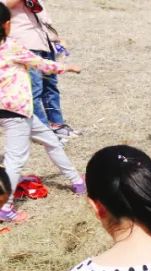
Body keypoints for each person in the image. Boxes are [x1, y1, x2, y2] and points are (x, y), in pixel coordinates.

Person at [0, 3, 81, 224]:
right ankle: (4, 207)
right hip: (16, 113)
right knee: (15, 160)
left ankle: (77, 181)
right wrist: (68, 67)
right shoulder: (11, 46)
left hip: (20, 112)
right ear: (8, 25)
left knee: (51, 141)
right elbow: (40, 63)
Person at [6, 0, 75, 139]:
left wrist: (55, 38)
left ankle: (57, 124)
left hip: (43, 42)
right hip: (25, 44)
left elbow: (40, 17)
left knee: (50, 86)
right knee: (35, 90)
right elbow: (5, 6)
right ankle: (43, 132)